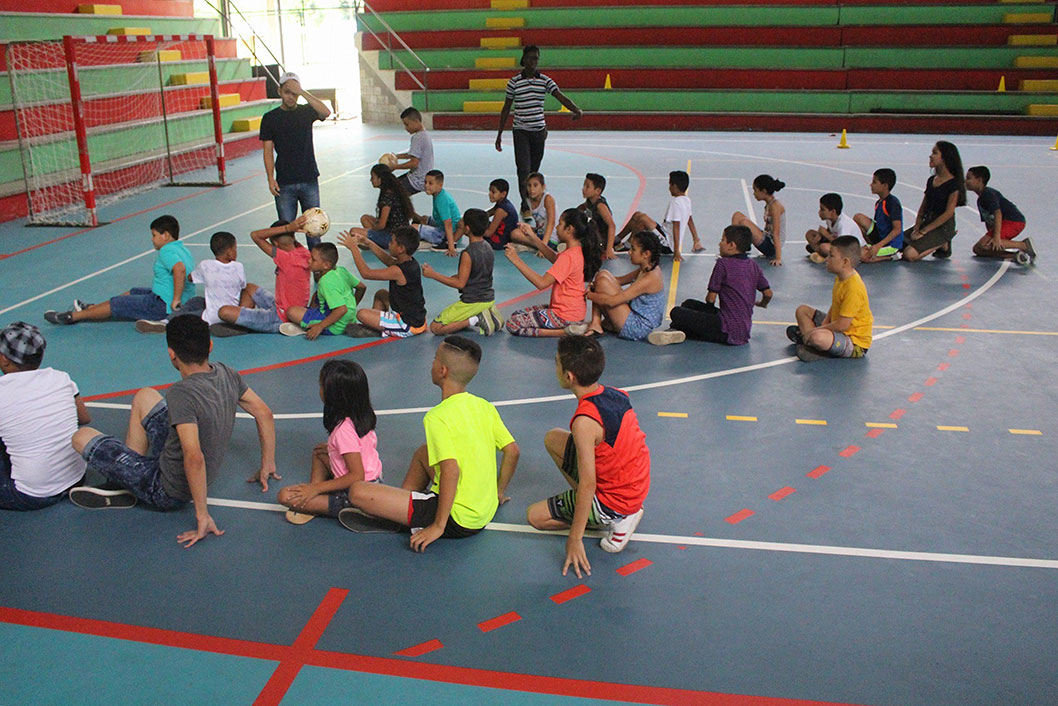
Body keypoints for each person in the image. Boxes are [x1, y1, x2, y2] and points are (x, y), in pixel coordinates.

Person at [69, 316, 277, 548]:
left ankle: (128, 482)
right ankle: (125, 480)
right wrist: (267, 463)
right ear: (210, 346)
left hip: (168, 489)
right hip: (187, 469)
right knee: (145, 395)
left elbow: (193, 456)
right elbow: (264, 413)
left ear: (171, 354)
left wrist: (202, 515)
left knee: (80, 437)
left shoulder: (182, 393)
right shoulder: (227, 373)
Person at [340, 336, 520, 550]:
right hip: (484, 508)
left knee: (358, 491)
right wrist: (498, 492)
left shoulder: (437, 417)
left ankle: (402, 518)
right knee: (423, 453)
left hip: (458, 519)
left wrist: (438, 525)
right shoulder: (484, 406)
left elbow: (451, 470)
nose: (432, 363)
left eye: (435, 359)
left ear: (442, 371)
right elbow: (513, 451)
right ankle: (401, 508)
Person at [527, 335, 650, 577]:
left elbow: (588, 484)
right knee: (553, 438)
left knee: (535, 516)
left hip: (616, 500)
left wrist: (575, 538)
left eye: (556, 363)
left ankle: (615, 519)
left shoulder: (584, 423)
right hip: (634, 483)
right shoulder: (616, 393)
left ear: (569, 376)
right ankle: (611, 510)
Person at [277, 360, 382, 524]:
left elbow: (357, 475)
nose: (319, 389)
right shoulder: (361, 414)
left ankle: (314, 501)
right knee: (320, 452)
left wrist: (316, 488)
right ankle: (311, 498)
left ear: (335, 395)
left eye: (321, 386)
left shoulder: (343, 431)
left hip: (355, 494)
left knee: (284, 496)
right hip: (374, 483)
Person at [0, 322, 90, 510]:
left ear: (4, 359)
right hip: (76, 478)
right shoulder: (61, 378)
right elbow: (83, 418)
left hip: (30, 494)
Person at [44, 215, 195, 326]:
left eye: (154, 235)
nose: (152, 239)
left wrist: (175, 299)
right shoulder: (181, 248)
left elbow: (179, 270)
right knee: (134, 291)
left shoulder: (166, 251)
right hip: (170, 298)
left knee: (117, 303)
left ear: (166, 235)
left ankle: (73, 316)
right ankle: (92, 308)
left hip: (164, 306)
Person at [495, 45, 582, 217]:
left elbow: (560, 96)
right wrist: (499, 134)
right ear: (524, 59)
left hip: (538, 132)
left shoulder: (545, 81)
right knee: (523, 169)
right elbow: (506, 108)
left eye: (536, 58)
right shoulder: (514, 82)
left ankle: (533, 201)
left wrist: (576, 109)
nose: (534, 61)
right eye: (531, 58)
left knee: (533, 171)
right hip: (521, 131)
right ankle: (525, 205)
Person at [651, 225, 772, 346]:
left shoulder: (723, 264)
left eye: (722, 240)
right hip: (744, 330)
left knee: (676, 312)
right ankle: (680, 330)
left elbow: (710, 299)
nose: (719, 244)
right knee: (689, 304)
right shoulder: (753, 265)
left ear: (732, 246)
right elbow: (768, 293)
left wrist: (706, 315)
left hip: (726, 329)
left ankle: (679, 330)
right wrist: (762, 303)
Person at [260, 71, 331, 247]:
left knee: (314, 229)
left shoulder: (306, 112)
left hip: (309, 179)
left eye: (294, 94)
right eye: (287, 92)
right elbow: (268, 151)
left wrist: (303, 91)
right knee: (286, 231)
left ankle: (317, 270)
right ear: (279, 91)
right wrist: (270, 178)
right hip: (284, 183)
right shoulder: (270, 118)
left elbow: (326, 112)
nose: (291, 97)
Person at [504, 208, 602, 337]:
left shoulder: (568, 257)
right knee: (517, 315)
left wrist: (515, 259)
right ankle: (571, 327)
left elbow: (542, 283)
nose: (556, 227)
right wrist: (533, 238)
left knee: (513, 323)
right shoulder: (575, 251)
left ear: (569, 229)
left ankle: (563, 332)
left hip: (563, 316)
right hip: (573, 313)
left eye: (560, 224)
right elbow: (555, 259)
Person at [135, 231, 247, 333]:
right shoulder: (239, 267)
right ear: (229, 252)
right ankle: (168, 323)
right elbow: (242, 286)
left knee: (191, 309)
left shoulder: (205, 265)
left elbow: (190, 278)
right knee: (198, 301)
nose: (236, 251)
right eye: (235, 248)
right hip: (230, 314)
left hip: (213, 314)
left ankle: (166, 322)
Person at [220, 216, 313, 334]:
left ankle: (245, 324)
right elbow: (288, 239)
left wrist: (289, 227)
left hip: (280, 318)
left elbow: (255, 235)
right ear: (293, 238)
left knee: (224, 312)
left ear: (275, 243)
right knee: (249, 288)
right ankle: (245, 322)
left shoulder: (284, 258)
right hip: (285, 306)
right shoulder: (303, 252)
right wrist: (291, 230)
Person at [567, 231, 665, 342]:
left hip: (637, 327)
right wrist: (595, 283)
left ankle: (597, 324)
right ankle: (597, 323)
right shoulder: (648, 268)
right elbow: (619, 280)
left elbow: (612, 302)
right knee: (603, 275)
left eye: (633, 249)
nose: (629, 252)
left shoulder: (649, 278)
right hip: (634, 315)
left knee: (602, 283)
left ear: (646, 254)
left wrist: (590, 295)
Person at [787, 235, 873, 363]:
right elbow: (835, 305)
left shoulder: (854, 288)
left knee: (817, 337)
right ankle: (809, 341)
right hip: (838, 326)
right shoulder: (841, 277)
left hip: (854, 341)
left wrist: (817, 330)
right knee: (802, 311)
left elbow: (843, 325)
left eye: (831, 256)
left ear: (845, 262)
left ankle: (815, 347)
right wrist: (824, 324)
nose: (827, 259)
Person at [422, 209, 505, 336]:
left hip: (472, 301)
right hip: (488, 298)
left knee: (435, 327)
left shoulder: (468, 253)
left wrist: (433, 274)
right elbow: (477, 274)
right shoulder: (488, 247)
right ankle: (488, 313)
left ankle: (476, 319)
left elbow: (460, 283)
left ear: (467, 228)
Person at [337, 226, 427, 339]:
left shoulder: (398, 271)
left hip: (407, 324)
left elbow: (366, 273)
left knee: (362, 314)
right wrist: (368, 243)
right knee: (381, 294)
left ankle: (377, 330)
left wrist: (353, 248)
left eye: (392, 241)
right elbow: (389, 260)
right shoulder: (410, 262)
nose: (389, 244)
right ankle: (375, 326)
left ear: (401, 248)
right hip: (415, 316)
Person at [281, 243, 365, 339]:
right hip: (350, 319)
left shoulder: (326, 282)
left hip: (336, 326)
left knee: (292, 312)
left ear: (326, 265)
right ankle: (313, 319)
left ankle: (310, 327)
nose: (309, 261)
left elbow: (341, 309)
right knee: (316, 295)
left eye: (313, 259)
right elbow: (361, 287)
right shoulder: (341, 270)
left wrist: (320, 326)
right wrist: (353, 306)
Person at [615, 170, 702, 262]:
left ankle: (628, 244)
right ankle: (617, 239)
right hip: (664, 233)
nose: (669, 188)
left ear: (675, 186)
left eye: (670, 185)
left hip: (667, 244)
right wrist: (696, 240)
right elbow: (690, 220)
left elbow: (676, 227)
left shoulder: (675, 203)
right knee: (637, 215)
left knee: (642, 219)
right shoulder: (687, 200)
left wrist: (676, 251)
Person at [902, 140, 965, 262]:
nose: (931, 156)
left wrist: (924, 232)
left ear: (945, 158)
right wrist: (917, 228)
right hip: (928, 222)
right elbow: (923, 206)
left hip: (942, 227)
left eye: (935, 153)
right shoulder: (932, 180)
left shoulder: (954, 184)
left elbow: (948, 213)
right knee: (898, 243)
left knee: (909, 254)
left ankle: (943, 241)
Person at [966, 166, 1034, 261]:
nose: (966, 181)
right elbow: (989, 221)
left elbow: (998, 213)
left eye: (968, 178)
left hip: (1014, 221)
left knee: (984, 244)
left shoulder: (988, 194)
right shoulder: (980, 199)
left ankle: (1023, 245)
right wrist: (990, 235)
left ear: (979, 180)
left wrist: (996, 237)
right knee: (978, 249)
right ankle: (1014, 256)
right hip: (1004, 223)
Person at [731, 174, 786, 267]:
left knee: (744, 222)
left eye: (755, 190)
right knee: (737, 216)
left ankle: (735, 250)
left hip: (771, 247)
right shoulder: (769, 204)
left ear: (763, 191)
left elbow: (776, 233)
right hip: (767, 239)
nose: (754, 194)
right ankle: (737, 247)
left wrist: (778, 258)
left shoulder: (775, 206)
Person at [853, 168, 904, 264]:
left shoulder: (893, 203)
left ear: (885, 186)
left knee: (860, 255)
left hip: (891, 244)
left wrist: (878, 246)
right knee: (858, 217)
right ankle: (871, 248)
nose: (871, 185)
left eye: (874, 182)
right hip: (880, 236)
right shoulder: (879, 202)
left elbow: (897, 229)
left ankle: (892, 256)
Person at [359, 164, 414, 250]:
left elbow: (381, 225)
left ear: (380, 179)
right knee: (365, 218)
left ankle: (374, 243)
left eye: (373, 177)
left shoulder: (387, 196)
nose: (371, 180)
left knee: (354, 232)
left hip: (392, 236)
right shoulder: (394, 190)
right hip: (399, 232)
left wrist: (372, 231)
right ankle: (373, 240)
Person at [412, 169, 462, 256]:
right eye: (425, 182)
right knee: (423, 219)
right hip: (444, 225)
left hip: (445, 233)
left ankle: (441, 241)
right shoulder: (439, 194)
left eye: (430, 183)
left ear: (440, 185)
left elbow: (448, 224)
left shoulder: (442, 200)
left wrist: (451, 247)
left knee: (413, 228)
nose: (426, 185)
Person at [805, 192, 859, 261]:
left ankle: (823, 254)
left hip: (851, 250)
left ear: (833, 212)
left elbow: (843, 246)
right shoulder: (829, 220)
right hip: (836, 242)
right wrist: (821, 235)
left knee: (824, 247)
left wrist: (826, 234)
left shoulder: (844, 224)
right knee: (810, 234)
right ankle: (821, 253)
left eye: (822, 209)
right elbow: (831, 232)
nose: (819, 212)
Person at [393, 107, 434, 197]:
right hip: (421, 176)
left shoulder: (418, 138)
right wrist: (396, 156)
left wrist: (395, 166)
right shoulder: (425, 134)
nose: (406, 128)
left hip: (417, 180)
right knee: (393, 184)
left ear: (416, 121)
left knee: (391, 193)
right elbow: (413, 154)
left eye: (407, 124)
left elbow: (414, 163)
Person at [579, 173, 617, 259]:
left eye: (587, 187)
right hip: (594, 236)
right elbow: (581, 208)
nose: (583, 189)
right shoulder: (589, 201)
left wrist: (609, 249)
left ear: (598, 191)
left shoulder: (600, 206)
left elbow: (612, 226)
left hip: (601, 241)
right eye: (584, 185)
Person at [525, 172, 557, 248]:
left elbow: (551, 223)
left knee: (516, 235)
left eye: (535, 185)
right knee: (516, 232)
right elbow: (539, 222)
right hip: (540, 234)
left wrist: (543, 247)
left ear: (543, 187)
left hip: (550, 238)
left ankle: (547, 247)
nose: (531, 189)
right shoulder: (528, 199)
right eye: (529, 185)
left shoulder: (547, 199)